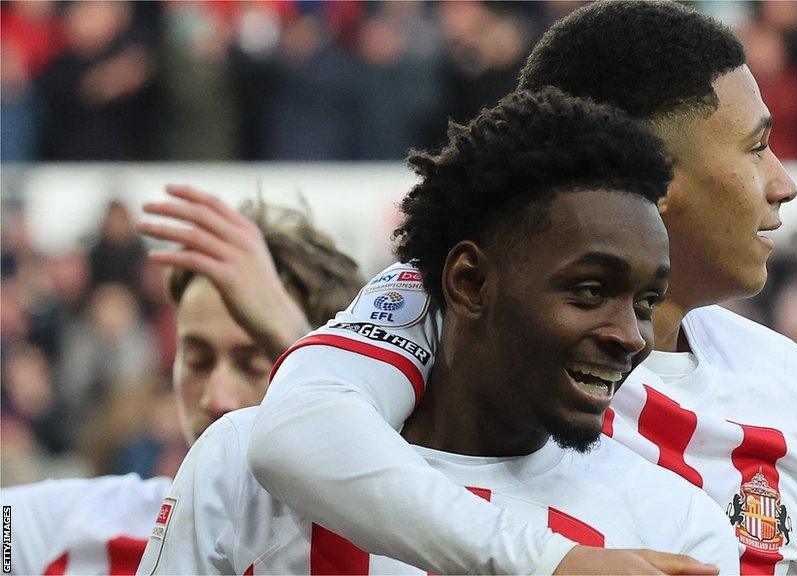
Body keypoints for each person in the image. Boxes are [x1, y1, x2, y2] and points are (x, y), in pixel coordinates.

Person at [247, 2, 797, 575]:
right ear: (651, 172)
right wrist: (555, 563)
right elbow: (294, 434)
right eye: (757, 147)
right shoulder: (469, 307)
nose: (783, 182)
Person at [138, 88, 736, 576]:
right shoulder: (239, 472)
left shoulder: (676, 529)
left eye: (646, 301)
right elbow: (293, 432)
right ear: (470, 282)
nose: (631, 335)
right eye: (590, 291)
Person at [2, 186, 363, 574]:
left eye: (255, 364)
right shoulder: (82, 533)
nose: (217, 397)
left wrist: (297, 338)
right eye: (198, 360)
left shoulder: (384, 546)